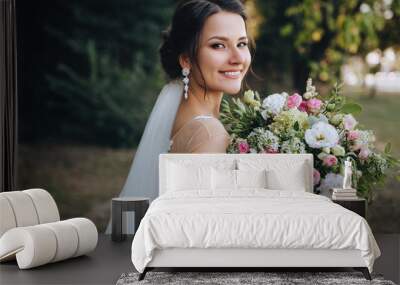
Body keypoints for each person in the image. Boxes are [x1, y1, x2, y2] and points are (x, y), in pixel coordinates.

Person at [106, 0, 254, 233]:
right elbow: (207, 230)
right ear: (186, 59)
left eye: (242, 43)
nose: (237, 58)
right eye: (218, 46)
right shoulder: (208, 134)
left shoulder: (183, 114)